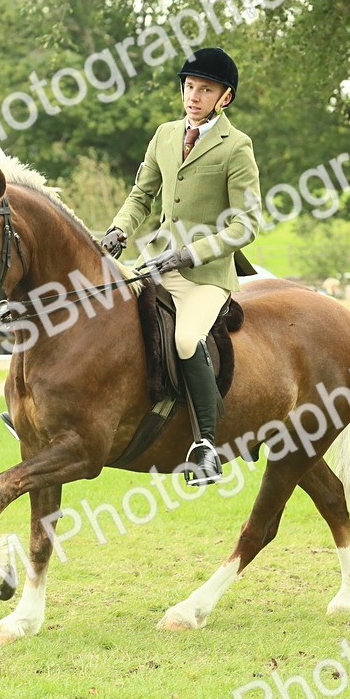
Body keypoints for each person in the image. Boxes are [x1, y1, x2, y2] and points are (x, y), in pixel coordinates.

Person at [100, 47, 262, 487]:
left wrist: (190, 254)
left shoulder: (237, 146)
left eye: (205, 89)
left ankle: (205, 445)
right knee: (102, 313)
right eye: (190, 86)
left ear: (223, 98)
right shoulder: (165, 135)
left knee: (188, 339)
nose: (194, 96)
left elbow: (247, 224)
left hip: (205, 274)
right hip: (156, 260)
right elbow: (141, 195)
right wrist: (118, 230)